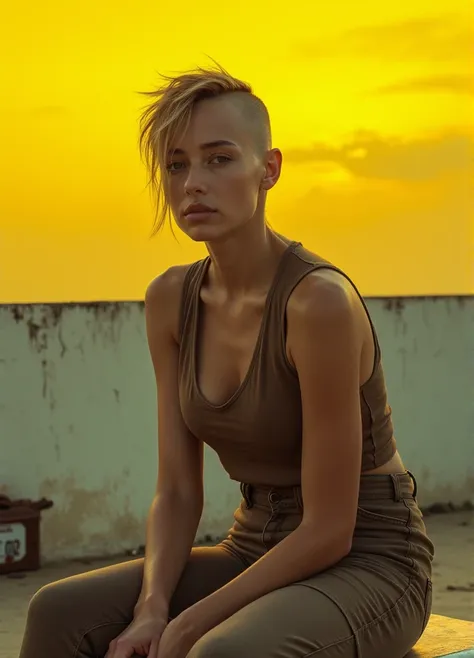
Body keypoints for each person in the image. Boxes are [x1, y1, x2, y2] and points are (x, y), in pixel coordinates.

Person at [20, 64, 434, 658]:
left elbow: (329, 529)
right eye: (176, 164)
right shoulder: (169, 300)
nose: (193, 183)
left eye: (219, 159)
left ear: (268, 170)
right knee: (57, 611)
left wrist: (187, 625)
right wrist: (152, 607)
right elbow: (178, 490)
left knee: (223, 652)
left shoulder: (317, 303)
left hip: (370, 557)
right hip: (253, 542)